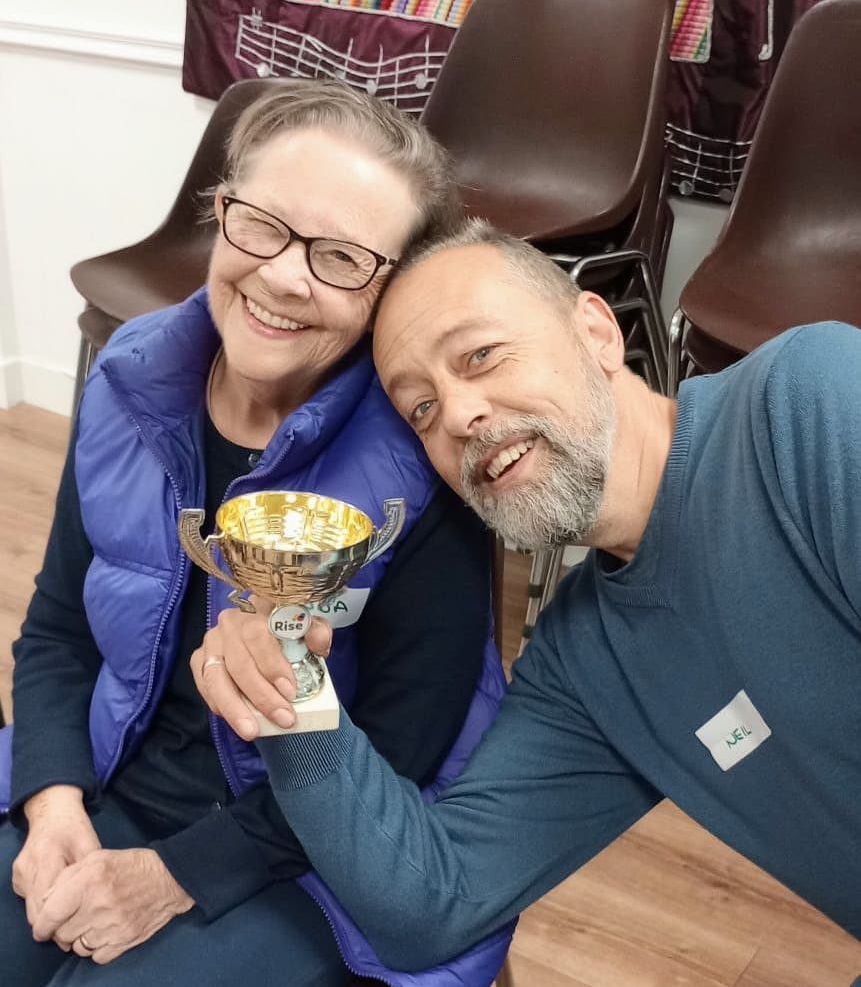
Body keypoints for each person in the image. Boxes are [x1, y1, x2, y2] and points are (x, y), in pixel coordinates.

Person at [194, 219, 861, 972]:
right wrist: (292, 697)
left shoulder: (809, 402)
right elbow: (429, 910)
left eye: (480, 355)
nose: (456, 416)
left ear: (596, 332)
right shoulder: (584, 660)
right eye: (420, 410)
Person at [0, 90, 515, 987]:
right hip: (110, 779)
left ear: (389, 291)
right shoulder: (128, 380)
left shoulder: (426, 451)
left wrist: (175, 877)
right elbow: (59, 631)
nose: (283, 276)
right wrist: (51, 804)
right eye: (262, 224)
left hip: (312, 846)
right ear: (220, 209)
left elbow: (405, 746)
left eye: (343, 258)